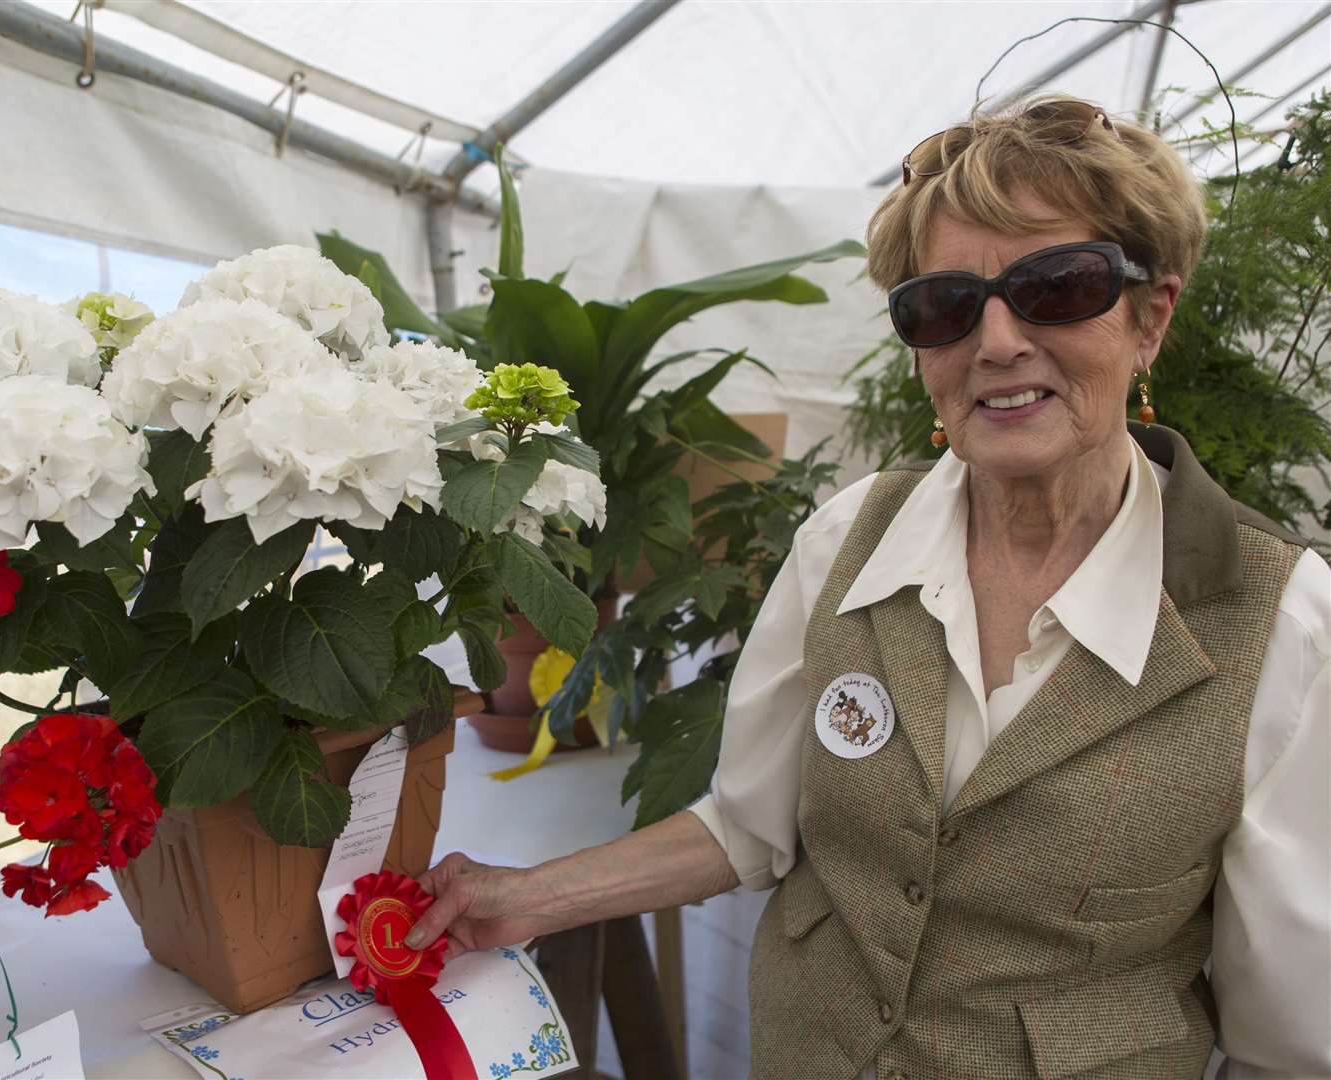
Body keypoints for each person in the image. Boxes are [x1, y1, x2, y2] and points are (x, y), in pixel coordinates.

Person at [407, 97, 1330, 1078]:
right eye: (944, 307)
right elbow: (751, 823)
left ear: (1151, 316)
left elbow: (1290, 1039)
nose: (999, 341)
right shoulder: (849, 541)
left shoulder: (1280, 626)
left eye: (1058, 286)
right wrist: (526, 896)